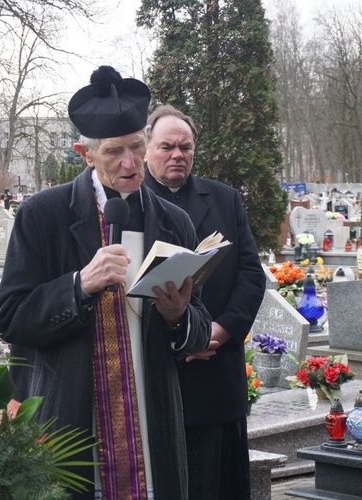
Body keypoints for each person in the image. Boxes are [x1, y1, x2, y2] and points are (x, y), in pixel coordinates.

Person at [0, 66, 211, 499]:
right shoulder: (43, 214)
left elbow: (198, 331)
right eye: (114, 152)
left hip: (150, 416)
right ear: (85, 153)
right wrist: (78, 284)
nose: (130, 163)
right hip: (70, 412)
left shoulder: (174, 221)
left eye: (136, 147)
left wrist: (178, 316)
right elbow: (10, 318)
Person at [144, 104, 265, 499]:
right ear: (147, 148)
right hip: (158, 372)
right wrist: (182, 336)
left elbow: (250, 273)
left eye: (186, 147)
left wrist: (217, 331)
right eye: (167, 146)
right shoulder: (130, 203)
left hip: (216, 374)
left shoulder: (225, 199)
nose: (177, 155)